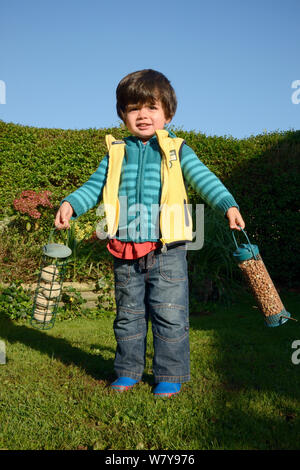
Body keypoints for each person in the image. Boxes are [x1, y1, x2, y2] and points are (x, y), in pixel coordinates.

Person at [55, 69, 245, 397]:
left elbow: (204, 178)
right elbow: (93, 187)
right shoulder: (116, 152)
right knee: (128, 315)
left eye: (151, 107)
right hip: (123, 247)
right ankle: (128, 370)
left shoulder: (177, 149)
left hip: (167, 249)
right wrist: (72, 203)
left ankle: (169, 373)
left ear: (167, 114)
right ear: (122, 114)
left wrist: (227, 205)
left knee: (169, 314)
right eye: (133, 108)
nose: (142, 115)